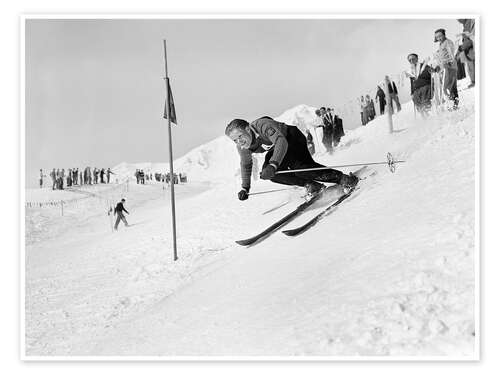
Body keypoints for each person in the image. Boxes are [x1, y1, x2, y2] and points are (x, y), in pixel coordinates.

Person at [225, 116, 359, 201]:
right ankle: (311, 185)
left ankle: (344, 179)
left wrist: (273, 164)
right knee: (271, 175)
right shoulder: (242, 147)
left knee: (302, 169)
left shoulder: (262, 125)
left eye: (240, 136)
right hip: (277, 150)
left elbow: (280, 141)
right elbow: (246, 165)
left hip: (291, 138)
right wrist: (245, 188)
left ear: (248, 129)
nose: (239, 141)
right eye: (235, 140)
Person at [434, 28, 459, 109]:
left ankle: (454, 104)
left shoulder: (447, 42)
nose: (439, 38)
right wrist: (438, 65)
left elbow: (452, 53)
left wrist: (450, 61)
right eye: (437, 37)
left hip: (450, 66)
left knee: (449, 86)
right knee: (447, 86)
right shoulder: (441, 44)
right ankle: (452, 103)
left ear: (444, 35)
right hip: (445, 67)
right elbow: (442, 57)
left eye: (440, 36)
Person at [457, 19, 475, 88]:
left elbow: (469, 40)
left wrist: (461, 48)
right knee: (470, 68)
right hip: (468, 51)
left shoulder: (469, 23)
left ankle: (474, 82)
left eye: (459, 18)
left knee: (472, 67)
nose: (458, 20)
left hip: (470, 50)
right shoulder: (465, 25)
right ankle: (473, 81)